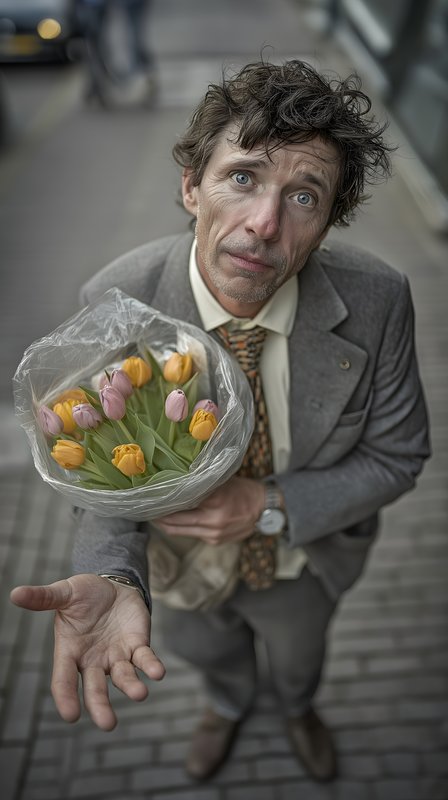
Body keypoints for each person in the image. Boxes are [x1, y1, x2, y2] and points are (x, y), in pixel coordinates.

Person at [10, 59, 430, 783]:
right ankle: (228, 706)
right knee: (210, 655)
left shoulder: (379, 300)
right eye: (242, 177)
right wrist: (113, 574)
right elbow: (95, 460)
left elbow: (399, 454)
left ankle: (298, 708)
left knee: (301, 658)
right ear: (188, 187)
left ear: (326, 225)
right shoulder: (117, 297)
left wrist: (267, 508)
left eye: (304, 195)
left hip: (306, 558)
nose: (264, 224)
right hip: (178, 571)